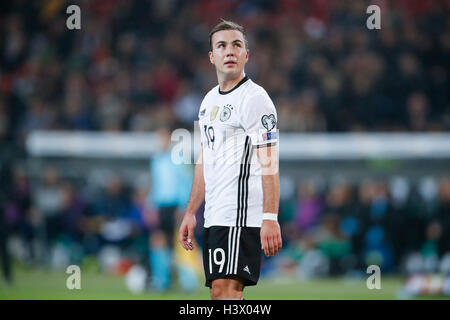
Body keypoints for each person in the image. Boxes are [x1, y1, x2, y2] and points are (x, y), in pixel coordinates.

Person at [179, 20, 282, 300]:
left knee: (225, 292)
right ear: (212, 57)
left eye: (237, 45)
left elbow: (270, 162)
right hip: (215, 215)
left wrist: (270, 217)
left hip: (240, 216)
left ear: (246, 55)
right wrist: (191, 211)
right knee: (220, 292)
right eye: (221, 46)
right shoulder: (208, 101)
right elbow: (205, 159)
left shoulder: (255, 99)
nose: (230, 51)